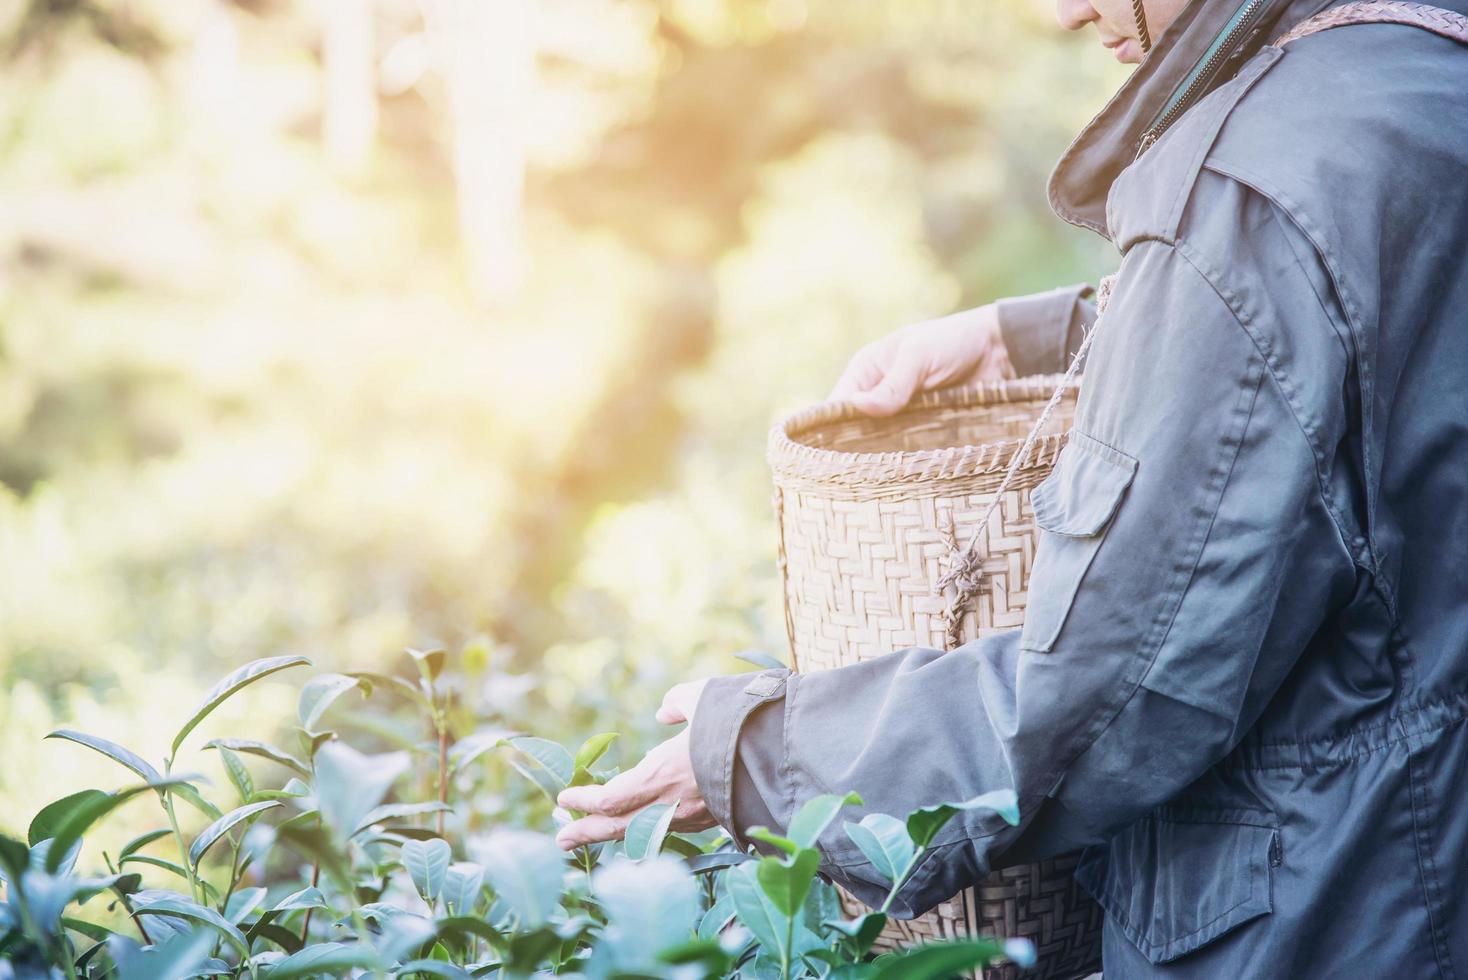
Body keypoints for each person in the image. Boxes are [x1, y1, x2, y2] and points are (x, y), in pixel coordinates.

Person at [557, 0, 1468, 974]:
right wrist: (1032, 338)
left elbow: (1113, 691)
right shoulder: (1413, 76)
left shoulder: (1249, 186)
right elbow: (1359, 345)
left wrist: (756, 754)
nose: (1062, 11)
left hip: (1344, 918)